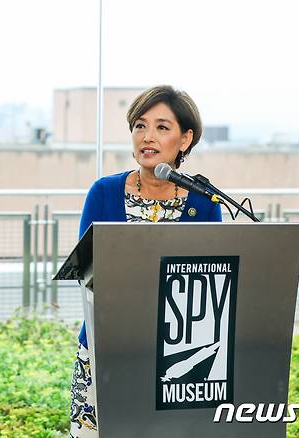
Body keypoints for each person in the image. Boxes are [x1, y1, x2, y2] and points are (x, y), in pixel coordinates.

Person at [69, 85, 222, 437]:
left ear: (185, 139)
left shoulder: (206, 203)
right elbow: (87, 273)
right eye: (140, 126)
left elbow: (209, 286)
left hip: (176, 360)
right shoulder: (104, 193)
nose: (147, 137)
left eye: (161, 127)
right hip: (107, 348)